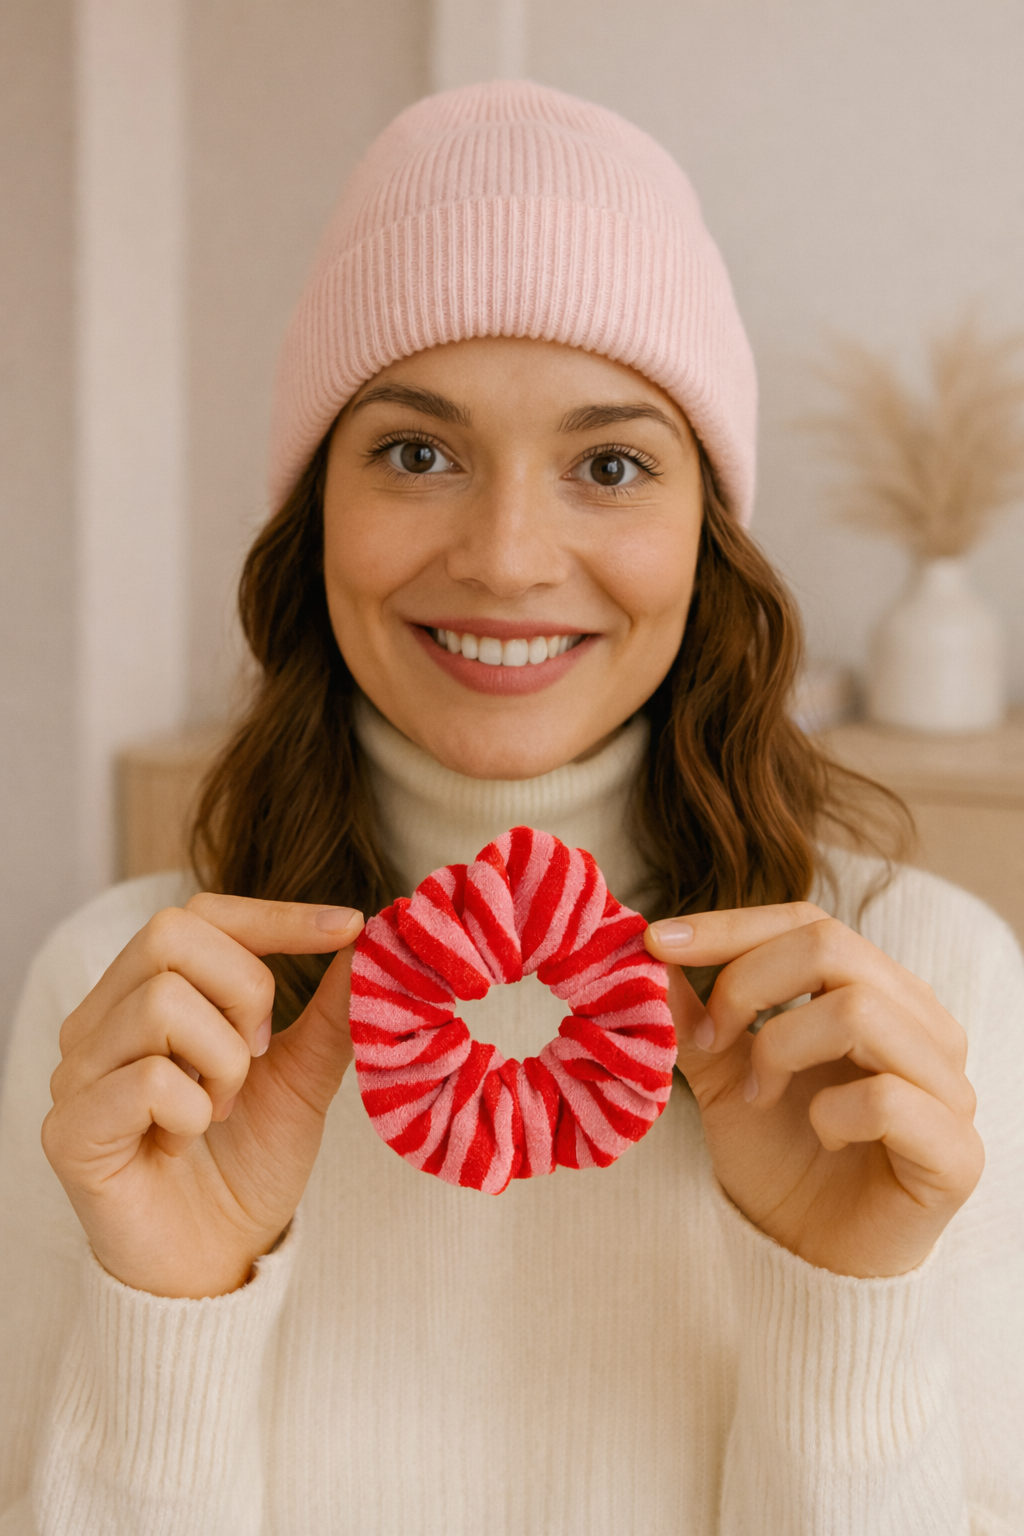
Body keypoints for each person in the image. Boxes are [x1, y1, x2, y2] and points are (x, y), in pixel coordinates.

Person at [0, 80, 1021, 1536]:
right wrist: (171, 1303)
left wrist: (839, 1303)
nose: (508, 558)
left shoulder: (917, 1008)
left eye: (610, 464)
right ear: (314, 514)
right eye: (419, 452)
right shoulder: (130, 1022)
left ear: (707, 536)